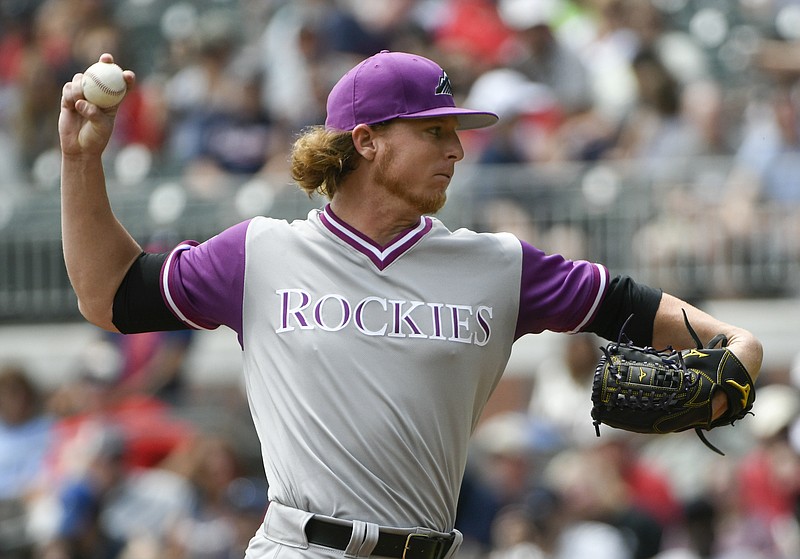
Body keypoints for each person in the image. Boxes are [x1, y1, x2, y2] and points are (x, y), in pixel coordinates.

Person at [59, 51, 763, 559]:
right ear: (365, 140)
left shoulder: (500, 266)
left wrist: (740, 350)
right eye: (433, 130)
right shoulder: (261, 254)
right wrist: (82, 161)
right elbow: (110, 294)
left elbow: (669, 318)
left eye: (454, 131)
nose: (456, 148)